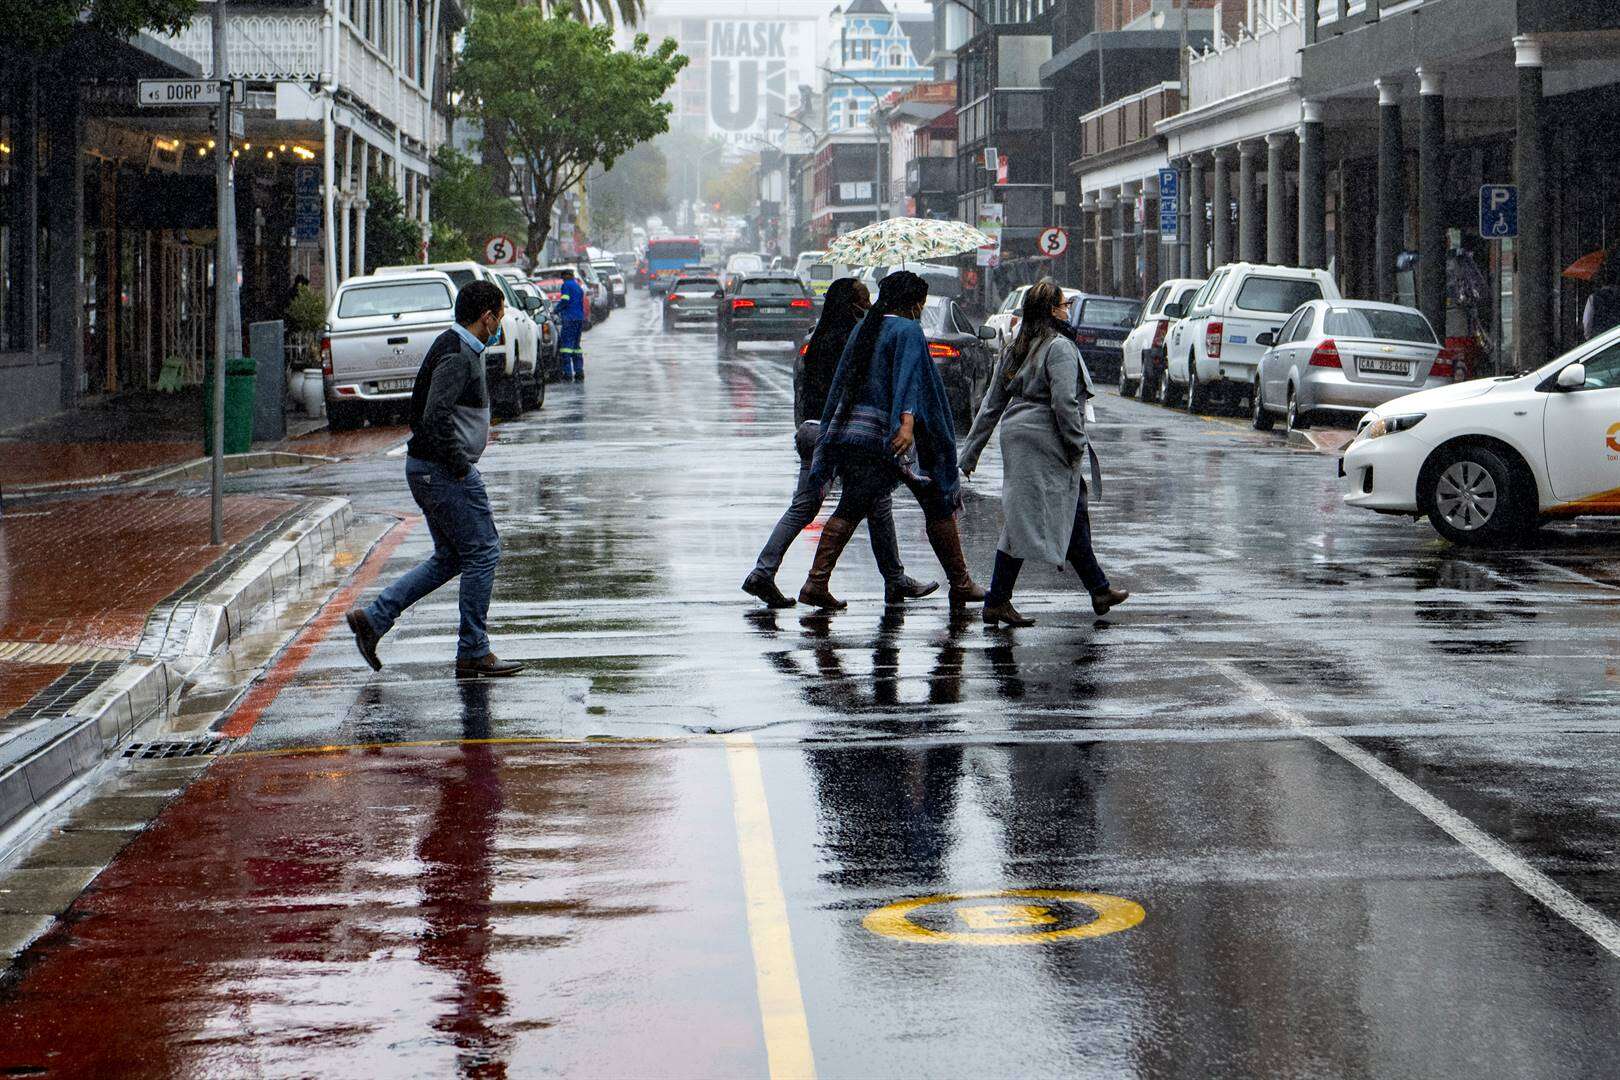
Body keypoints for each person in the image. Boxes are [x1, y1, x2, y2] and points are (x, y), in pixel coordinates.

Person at [345, 280, 524, 678]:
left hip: (431, 469)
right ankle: (474, 649)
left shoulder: (457, 346)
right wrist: (460, 465)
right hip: (442, 472)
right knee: (484, 552)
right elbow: (434, 415)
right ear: (486, 316)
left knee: (452, 558)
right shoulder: (458, 354)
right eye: (500, 316)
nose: (501, 324)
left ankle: (374, 620)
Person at [741, 278, 938, 608]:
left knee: (862, 503)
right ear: (852, 304)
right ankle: (875, 579)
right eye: (864, 298)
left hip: (810, 428)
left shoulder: (818, 338)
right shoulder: (856, 338)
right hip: (839, 432)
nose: (869, 304)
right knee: (865, 500)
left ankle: (765, 571)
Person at [796, 270, 984, 611]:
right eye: (921, 304)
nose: (921, 310)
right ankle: (816, 581)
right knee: (928, 501)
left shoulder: (866, 328)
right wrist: (907, 423)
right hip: (893, 439)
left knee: (870, 503)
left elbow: (845, 381)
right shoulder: (908, 330)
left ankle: (957, 582)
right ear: (913, 303)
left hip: (855, 433)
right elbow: (908, 378)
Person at [959, 278, 1128, 627]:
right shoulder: (1059, 347)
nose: (1067, 310)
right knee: (1034, 517)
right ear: (1052, 310)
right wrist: (1076, 443)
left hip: (1018, 436)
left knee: (1066, 508)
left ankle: (1098, 588)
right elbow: (1065, 402)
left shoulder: (1017, 347)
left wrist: (970, 452)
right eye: (1064, 304)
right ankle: (998, 600)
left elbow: (992, 403)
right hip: (1047, 440)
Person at [557, 268, 586, 380]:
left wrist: (556, 310)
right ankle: (579, 371)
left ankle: (568, 373)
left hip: (570, 318)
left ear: (564, 276)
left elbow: (565, 300)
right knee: (576, 346)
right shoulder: (577, 286)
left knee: (566, 346)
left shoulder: (566, 286)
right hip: (579, 318)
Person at [1583, 276, 1620, 341]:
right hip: (1616, 337)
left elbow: (1587, 321)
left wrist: (1588, 337)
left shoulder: (1593, 297)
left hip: (1599, 338)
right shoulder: (1617, 297)